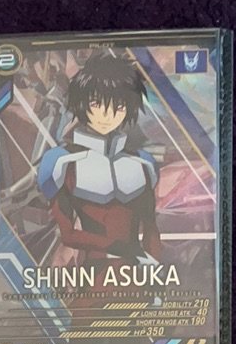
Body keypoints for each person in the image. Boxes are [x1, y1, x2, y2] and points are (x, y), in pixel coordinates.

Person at [37, 48, 162, 263]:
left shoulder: (143, 163)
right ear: (82, 103)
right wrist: (124, 250)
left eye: (118, 106)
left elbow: (151, 228)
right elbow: (68, 234)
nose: (107, 115)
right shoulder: (62, 162)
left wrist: (154, 269)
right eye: (96, 104)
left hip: (137, 273)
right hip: (93, 271)